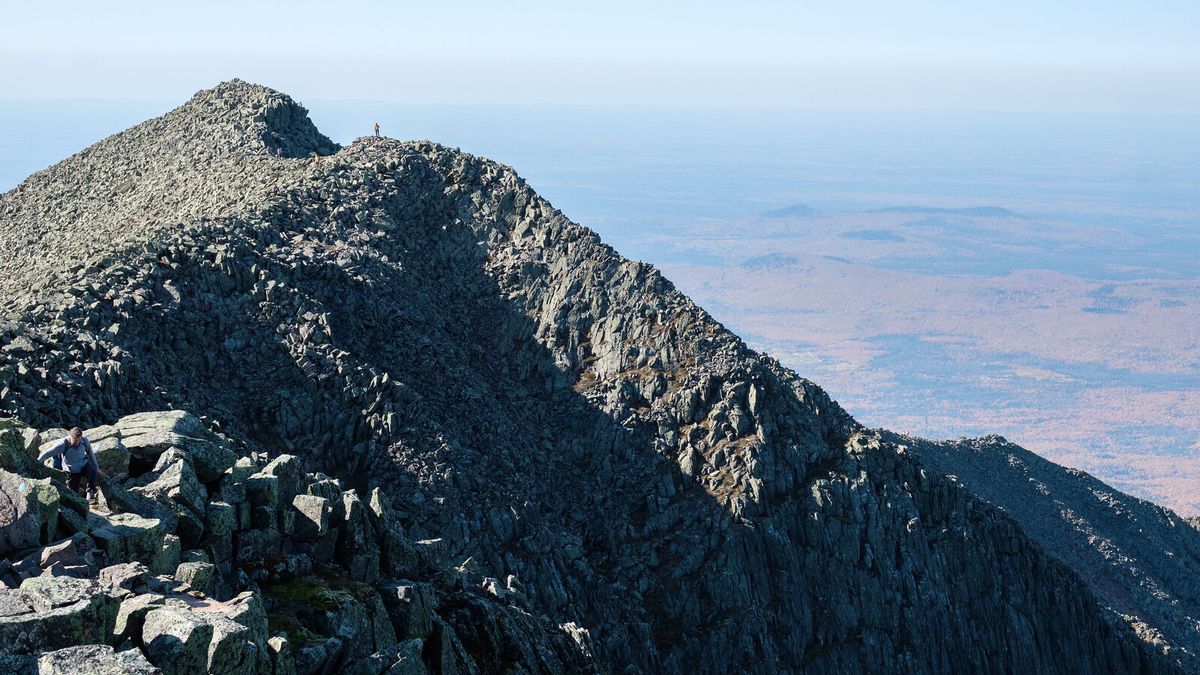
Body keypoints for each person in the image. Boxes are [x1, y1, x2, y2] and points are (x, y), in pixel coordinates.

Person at [38, 427, 101, 505]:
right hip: (71, 470)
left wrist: (96, 467)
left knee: (93, 472)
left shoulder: (84, 441)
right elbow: (47, 453)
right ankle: (79, 504)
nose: (77, 442)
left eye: (79, 440)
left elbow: (90, 454)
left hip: (84, 464)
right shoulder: (63, 444)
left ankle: (89, 496)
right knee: (73, 493)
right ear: (70, 436)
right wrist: (37, 462)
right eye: (75, 440)